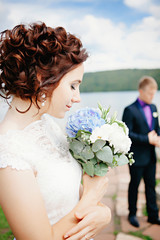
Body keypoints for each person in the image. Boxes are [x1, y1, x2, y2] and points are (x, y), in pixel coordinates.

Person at [0, 22, 111, 240]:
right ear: (42, 80)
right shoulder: (8, 155)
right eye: (73, 85)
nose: (77, 97)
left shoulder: (48, 126)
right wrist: (91, 197)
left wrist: (103, 213)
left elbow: (70, 193)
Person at [122, 76, 160, 228]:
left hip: (151, 156)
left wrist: (157, 138)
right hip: (136, 157)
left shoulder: (154, 108)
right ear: (141, 91)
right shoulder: (129, 110)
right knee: (135, 186)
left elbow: (156, 128)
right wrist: (147, 139)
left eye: (154, 93)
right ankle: (132, 214)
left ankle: (153, 215)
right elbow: (127, 134)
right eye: (150, 93)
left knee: (151, 185)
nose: (153, 96)